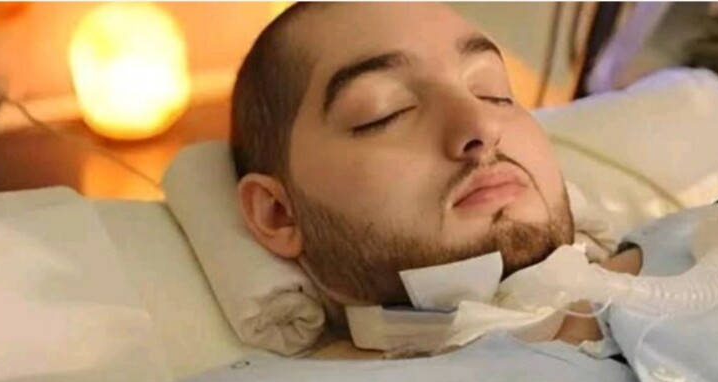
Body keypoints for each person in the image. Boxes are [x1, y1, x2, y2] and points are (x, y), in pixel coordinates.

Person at [231, 2, 642, 355]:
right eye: (385, 112)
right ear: (279, 213)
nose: (481, 125)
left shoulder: (676, 252)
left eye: (494, 92)